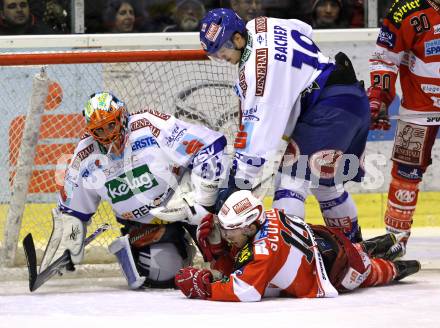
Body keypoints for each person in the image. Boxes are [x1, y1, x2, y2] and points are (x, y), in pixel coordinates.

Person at [199, 8, 370, 244]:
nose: (221, 58)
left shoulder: (256, 75)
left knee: (290, 182)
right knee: (327, 186)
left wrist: (237, 184)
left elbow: (257, 142)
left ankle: (289, 253)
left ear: (237, 39)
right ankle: (354, 248)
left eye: (221, 51)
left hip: (326, 110)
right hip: (353, 98)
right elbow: (304, 29)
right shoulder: (260, 23)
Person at [40, 92, 227, 289]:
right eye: (99, 130)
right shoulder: (85, 156)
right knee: (161, 272)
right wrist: (70, 242)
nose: (108, 134)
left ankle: (219, 254)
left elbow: (211, 144)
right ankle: (170, 248)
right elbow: (72, 210)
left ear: (122, 116)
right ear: (91, 131)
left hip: (184, 201)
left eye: (111, 124)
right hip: (145, 224)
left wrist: (203, 202)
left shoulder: (149, 126)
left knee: (226, 247)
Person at [175, 190, 421, 301]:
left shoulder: (263, 252)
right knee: (357, 251)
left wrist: (205, 288)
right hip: (325, 242)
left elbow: (244, 291)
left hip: (335, 270)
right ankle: (371, 246)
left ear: (250, 226)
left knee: (371, 272)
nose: (225, 234)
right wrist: (221, 251)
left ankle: (392, 267)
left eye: (229, 230)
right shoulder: (267, 216)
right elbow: (243, 263)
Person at [367, 0, 440, 258]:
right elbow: (384, 58)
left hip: (420, 106)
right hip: (420, 107)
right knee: (406, 173)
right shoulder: (405, 10)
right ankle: (395, 239)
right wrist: (379, 96)